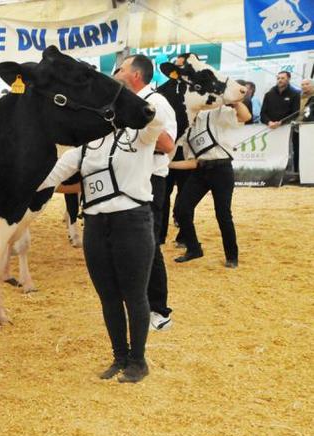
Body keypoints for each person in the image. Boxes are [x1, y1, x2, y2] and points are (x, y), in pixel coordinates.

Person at [40, 54, 171, 383]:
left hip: (133, 222)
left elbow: (155, 125)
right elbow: (48, 177)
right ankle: (119, 356)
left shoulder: (139, 136)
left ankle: (138, 361)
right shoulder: (85, 147)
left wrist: (130, 100)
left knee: (134, 294)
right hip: (96, 226)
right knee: (108, 297)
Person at [173, 100, 252, 268]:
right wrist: (166, 165)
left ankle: (232, 256)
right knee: (182, 209)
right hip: (200, 170)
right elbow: (192, 162)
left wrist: (236, 102)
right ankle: (194, 249)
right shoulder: (186, 131)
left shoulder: (215, 113)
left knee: (223, 214)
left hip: (221, 170)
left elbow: (245, 116)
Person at [147, 78, 178, 333]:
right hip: (133, 179)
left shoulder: (156, 102)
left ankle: (159, 310)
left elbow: (168, 144)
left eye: (121, 69)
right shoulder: (135, 101)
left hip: (151, 179)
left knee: (150, 244)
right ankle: (144, 305)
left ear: (135, 74)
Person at [260, 71, 301, 174]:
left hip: (286, 128)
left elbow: (295, 112)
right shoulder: (269, 94)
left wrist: (281, 123)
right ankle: (271, 172)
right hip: (271, 128)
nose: (280, 80)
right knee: (272, 150)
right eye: (278, 78)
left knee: (287, 151)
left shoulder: (295, 94)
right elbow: (262, 113)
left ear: (288, 79)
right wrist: (268, 122)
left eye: (282, 78)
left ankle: (290, 173)